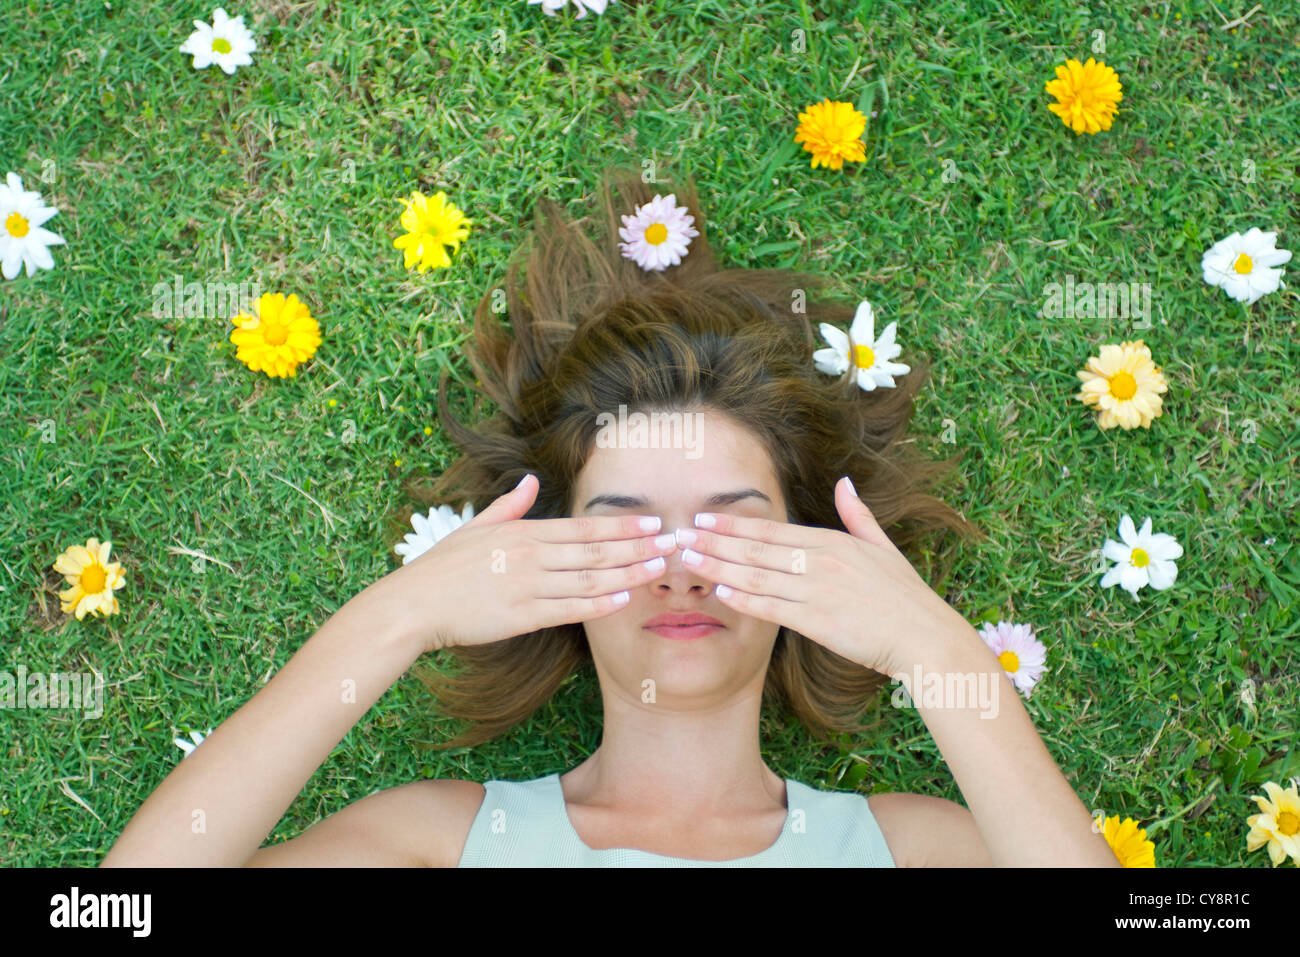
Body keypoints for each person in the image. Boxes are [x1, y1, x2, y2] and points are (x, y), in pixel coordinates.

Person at [101, 168, 1119, 867]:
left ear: (818, 564)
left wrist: (930, 647)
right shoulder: (440, 842)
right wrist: (395, 619)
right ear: (544, 565)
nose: (679, 570)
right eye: (625, 528)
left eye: (732, 526)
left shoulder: (920, 848)